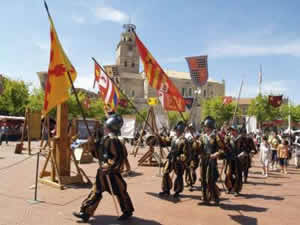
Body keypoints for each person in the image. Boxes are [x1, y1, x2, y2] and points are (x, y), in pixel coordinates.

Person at [73, 114, 134, 222]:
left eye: (106, 125)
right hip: (102, 173)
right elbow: (98, 155)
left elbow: (119, 157)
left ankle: (127, 211)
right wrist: (92, 144)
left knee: (121, 191)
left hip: (111, 173)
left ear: (110, 126)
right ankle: (85, 213)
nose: (104, 127)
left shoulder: (114, 140)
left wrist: (110, 166)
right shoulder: (104, 139)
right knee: (96, 192)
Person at [159, 121, 189, 199]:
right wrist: (159, 136)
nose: (176, 132)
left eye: (178, 130)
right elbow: (165, 141)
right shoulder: (173, 138)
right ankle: (166, 189)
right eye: (176, 130)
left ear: (181, 131)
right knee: (165, 172)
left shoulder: (184, 141)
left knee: (179, 175)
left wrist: (181, 157)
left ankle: (177, 191)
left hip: (178, 160)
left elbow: (186, 153)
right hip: (170, 158)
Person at [198, 116, 224, 205]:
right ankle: (205, 198)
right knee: (203, 179)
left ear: (210, 127)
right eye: (205, 127)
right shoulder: (202, 137)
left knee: (210, 179)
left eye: (206, 127)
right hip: (204, 160)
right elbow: (199, 148)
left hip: (212, 160)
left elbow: (222, 149)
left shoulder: (216, 137)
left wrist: (216, 154)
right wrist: (195, 144)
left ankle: (216, 197)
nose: (205, 128)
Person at [223, 125, 243, 196]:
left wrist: (242, 153)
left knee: (237, 175)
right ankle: (229, 188)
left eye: (233, 130)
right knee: (228, 174)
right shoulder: (228, 138)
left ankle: (236, 190)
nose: (232, 131)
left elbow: (245, 148)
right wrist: (225, 140)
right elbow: (224, 147)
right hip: (229, 159)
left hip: (237, 159)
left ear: (236, 130)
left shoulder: (241, 138)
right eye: (231, 130)